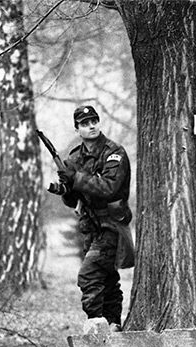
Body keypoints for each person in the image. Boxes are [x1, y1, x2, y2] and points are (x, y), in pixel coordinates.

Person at [50, 105, 133, 332]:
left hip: (111, 225)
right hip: (90, 226)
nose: (91, 126)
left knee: (89, 276)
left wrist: (76, 178)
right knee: (107, 280)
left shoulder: (113, 152)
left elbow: (109, 188)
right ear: (77, 129)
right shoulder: (75, 157)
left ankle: (96, 327)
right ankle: (113, 326)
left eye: (94, 121)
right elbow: (71, 200)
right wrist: (66, 187)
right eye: (85, 124)